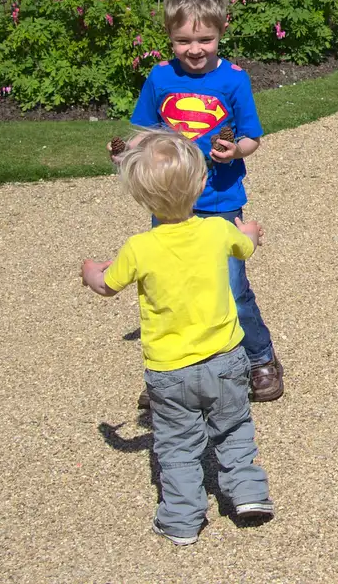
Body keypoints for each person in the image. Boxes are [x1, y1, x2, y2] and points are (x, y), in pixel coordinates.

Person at [81, 131, 275, 545]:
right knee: (234, 428)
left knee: (176, 445)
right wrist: (253, 232)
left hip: (169, 371)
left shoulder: (139, 248)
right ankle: (249, 492)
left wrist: (89, 272)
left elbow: (106, 285)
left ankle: (183, 519)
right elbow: (247, 245)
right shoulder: (217, 231)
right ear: (202, 184)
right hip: (226, 360)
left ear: (140, 197)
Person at [115, 0, 285, 402]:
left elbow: (251, 138)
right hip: (171, 202)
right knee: (172, 290)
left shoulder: (233, 80)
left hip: (221, 199)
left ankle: (260, 358)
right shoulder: (159, 78)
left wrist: (232, 152)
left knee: (230, 286)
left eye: (205, 39)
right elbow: (145, 131)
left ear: (222, 29)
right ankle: (173, 375)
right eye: (183, 40)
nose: (194, 49)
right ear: (169, 37)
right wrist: (127, 152)